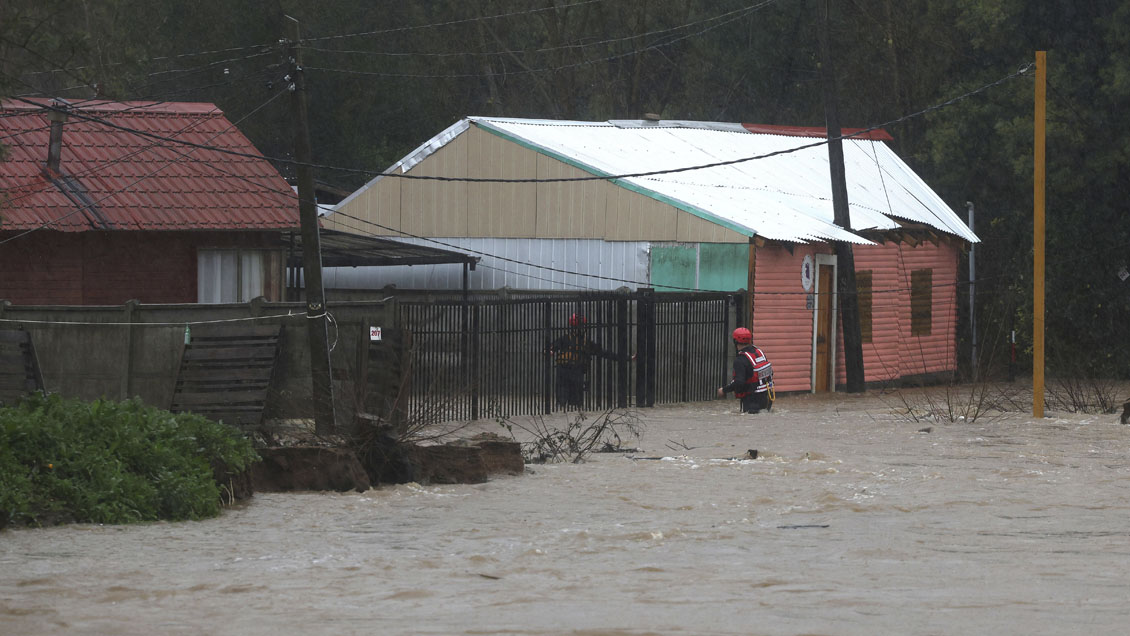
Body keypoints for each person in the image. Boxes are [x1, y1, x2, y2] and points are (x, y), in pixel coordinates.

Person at [547, 313, 624, 409]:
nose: (578, 329)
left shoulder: (585, 342)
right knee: (565, 400)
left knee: (573, 402)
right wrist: (548, 351)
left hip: (575, 371)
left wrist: (626, 358)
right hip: (566, 371)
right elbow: (551, 347)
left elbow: (604, 353)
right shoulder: (566, 339)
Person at [717, 327, 774, 413]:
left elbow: (739, 382)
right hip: (767, 397)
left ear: (735, 341)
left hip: (751, 401)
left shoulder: (740, 360)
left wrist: (724, 390)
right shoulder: (759, 352)